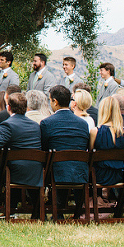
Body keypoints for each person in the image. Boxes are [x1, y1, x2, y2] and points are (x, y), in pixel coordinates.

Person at [40, 85, 92, 217]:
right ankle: (77, 212)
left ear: (55, 101)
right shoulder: (82, 123)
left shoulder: (47, 123)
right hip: (80, 170)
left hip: (57, 171)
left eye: (50, 100)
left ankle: (57, 213)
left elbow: (44, 148)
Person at [92, 95, 124, 201]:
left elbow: (90, 155)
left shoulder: (95, 131)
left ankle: (96, 201)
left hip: (99, 176)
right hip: (118, 174)